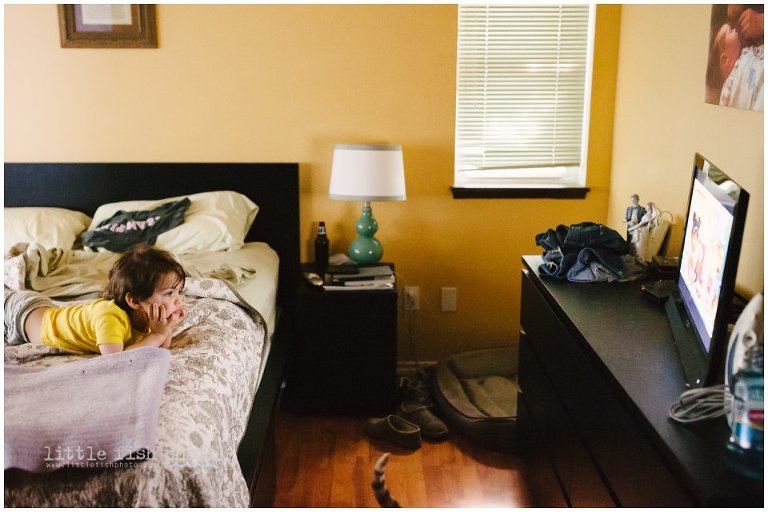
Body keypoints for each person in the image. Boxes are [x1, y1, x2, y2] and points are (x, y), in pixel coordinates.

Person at [4, 244, 187, 355]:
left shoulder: (149, 317)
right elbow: (117, 360)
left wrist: (166, 328)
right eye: (169, 293)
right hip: (21, 314)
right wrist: (158, 335)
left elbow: (161, 350)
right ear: (135, 301)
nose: (178, 300)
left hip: (44, 310)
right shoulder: (110, 317)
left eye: (179, 292)